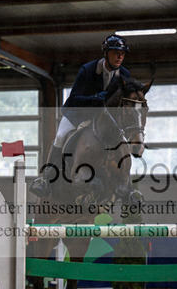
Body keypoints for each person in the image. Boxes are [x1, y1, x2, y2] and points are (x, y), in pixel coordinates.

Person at [30, 34, 131, 196]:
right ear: (106, 52)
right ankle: (45, 180)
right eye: (116, 52)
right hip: (77, 113)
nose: (120, 57)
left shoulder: (124, 74)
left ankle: (126, 184)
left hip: (102, 118)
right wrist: (94, 98)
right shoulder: (88, 70)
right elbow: (75, 98)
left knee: (120, 140)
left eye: (122, 53)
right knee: (60, 136)